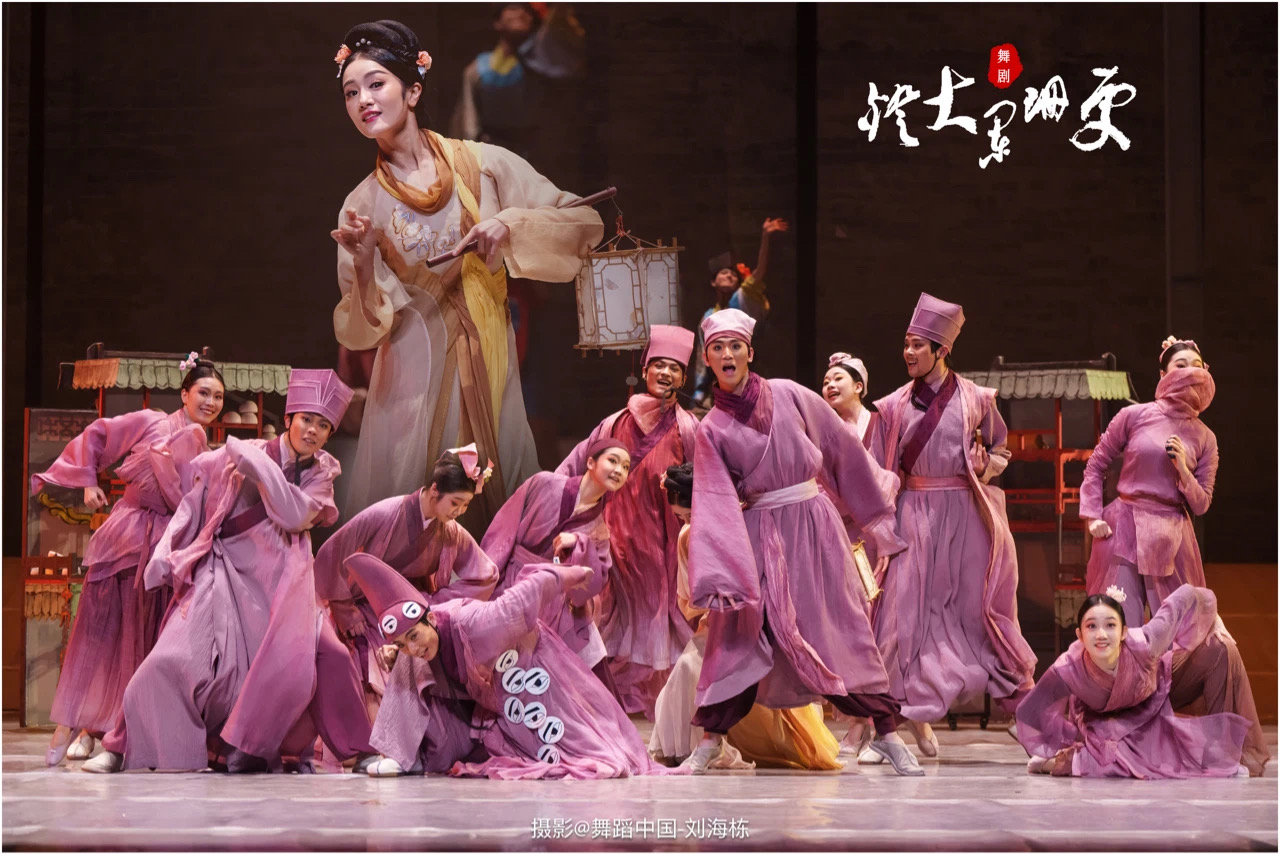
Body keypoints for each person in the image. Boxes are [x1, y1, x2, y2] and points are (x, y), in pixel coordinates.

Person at [331, 19, 603, 529]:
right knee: (415, 523)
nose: (363, 100)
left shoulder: (485, 166)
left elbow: (583, 222)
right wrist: (365, 267)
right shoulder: (361, 205)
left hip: (491, 365)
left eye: (376, 84)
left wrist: (510, 225)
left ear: (413, 91)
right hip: (411, 387)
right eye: (351, 92)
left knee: (498, 511)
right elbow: (362, 332)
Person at [84, 370, 371, 774]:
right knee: (169, 657)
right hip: (224, 571)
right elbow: (194, 500)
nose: (313, 430)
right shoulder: (241, 452)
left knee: (330, 655)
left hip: (284, 583)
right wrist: (167, 552)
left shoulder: (322, 472)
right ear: (288, 419)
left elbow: (293, 514)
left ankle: (361, 750)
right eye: (307, 419)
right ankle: (120, 746)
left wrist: (255, 463)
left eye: (323, 425)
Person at [681, 308, 922, 776]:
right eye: (717, 348)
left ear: (750, 353)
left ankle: (887, 732)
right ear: (707, 360)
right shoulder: (711, 428)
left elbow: (841, 447)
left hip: (812, 525)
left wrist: (876, 520)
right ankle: (710, 740)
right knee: (740, 634)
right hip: (758, 532)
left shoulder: (790, 394)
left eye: (735, 346)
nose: (727, 355)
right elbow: (714, 499)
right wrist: (722, 570)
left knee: (839, 626)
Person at [863, 293, 1037, 764]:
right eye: (906, 343)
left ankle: (1023, 715)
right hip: (912, 514)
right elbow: (875, 468)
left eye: (918, 345)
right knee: (899, 618)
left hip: (965, 515)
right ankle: (887, 725)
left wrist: (985, 467)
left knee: (980, 614)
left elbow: (1001, 448)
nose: (908, 352)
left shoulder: (977, 398)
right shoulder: (891, 406)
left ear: (942, 350)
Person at [34, 355, 224, 766]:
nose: (210, 402)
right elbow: (98, 434)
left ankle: (117, 734)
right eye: (204, 393)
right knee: (101, 635)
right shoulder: (152, 421)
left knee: (145, 642)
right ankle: (74, 724)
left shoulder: (208, 451)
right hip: (128, 536)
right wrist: (87, 481)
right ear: (185, 394)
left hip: (166, 547)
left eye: (218, 397)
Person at [346, 552, 680, 779]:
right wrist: (402, 651)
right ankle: (402, 754)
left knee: (577, 747)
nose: (413, 647)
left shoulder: (476, 621)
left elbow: (525, 594)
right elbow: (415, 647)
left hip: (528, 666)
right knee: (409, 666)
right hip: (487, 691)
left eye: (413, 637)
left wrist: (570, 575)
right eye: (402, 643)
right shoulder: (418, 645)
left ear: (431, 619)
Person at [648, 464, 842, 771]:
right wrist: (713, 604)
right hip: (716, 624)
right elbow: (688, 602)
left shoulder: (744, 524)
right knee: (688, 668)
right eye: (681, 517)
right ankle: (694, 746)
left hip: (756, 620)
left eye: (690, 515)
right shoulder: (687, 537)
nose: (687, 523)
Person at [555, 325, 699, 716]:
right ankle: (609, 694)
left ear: (684, 378)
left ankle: (657, 696)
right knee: (609, 613)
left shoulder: (689, 429)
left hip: (661, 542)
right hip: (612, 534)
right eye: (658, 365)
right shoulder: (613, 424)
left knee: (657, 614)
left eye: (674, 368)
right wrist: (550, 500)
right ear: (644, 369)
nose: (665, 373)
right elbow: (574, 466)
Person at [315, 446, 500, 714]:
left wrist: (434, 604)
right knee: (364, 670)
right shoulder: (386, 513)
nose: (459, 511)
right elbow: (333, 552)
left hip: (413, 616)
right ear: (435, 490)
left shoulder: (450, 532)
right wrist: (343, 607)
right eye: (455, 503)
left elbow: (486, 575)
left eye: (465, 505)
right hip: (364, 607)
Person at [1016, 584, 1269, 778]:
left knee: (1220, 649)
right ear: (1079, 635)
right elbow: (1030, 713)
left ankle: (1221, 757)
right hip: (1106, 722)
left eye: (1110, 625)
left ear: (1124, 632)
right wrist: (1070, 739)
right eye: (1092, 627)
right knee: (1114, 758)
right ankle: (1065, 761)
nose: (1101, 634)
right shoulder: (1067, 668)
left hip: (1155, 695)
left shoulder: (1145, 643)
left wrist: (1211, 617)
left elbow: (1186, 596)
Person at [1082, 337, 1219, 627]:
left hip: (1172, 536)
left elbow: (1201, 504)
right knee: (1119, 623)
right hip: (1124, 527)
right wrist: (1092, 514)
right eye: (1180, 365)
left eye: (1196, 366)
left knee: (1176, 631)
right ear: (1163, 374)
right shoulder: (1134, 415)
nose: (1189, 372)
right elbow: (1096, 464)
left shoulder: (1205, 437)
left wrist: (1183, 471)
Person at [482, 438, 630, 683]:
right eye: (613, 461)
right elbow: (504, 528)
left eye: (625, 467)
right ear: (590, 462)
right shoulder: (544, 483)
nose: (619, 470)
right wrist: (487, 577)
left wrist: (581, 544)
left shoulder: (599, 530)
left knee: (565, 671)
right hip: (511, 583)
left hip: (551, 602)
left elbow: (595, 581)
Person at [449, 3, 586, 159]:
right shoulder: (478, 69)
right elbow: (468, 122)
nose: (521, 13)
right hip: (492, 154)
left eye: (528, 11)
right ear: (498, 21)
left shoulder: (543, 63)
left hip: (536, 154)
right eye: (513, 7)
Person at [689, 218, 789, 406]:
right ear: (713, 282)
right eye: (724, 273)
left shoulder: (742, 301)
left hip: (750, 376)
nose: (729, 275)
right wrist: (700, 390)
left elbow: (758, 273)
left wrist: (765, 237)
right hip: (719, 382)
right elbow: (703, 355)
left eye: (733, 274)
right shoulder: (709, 316)